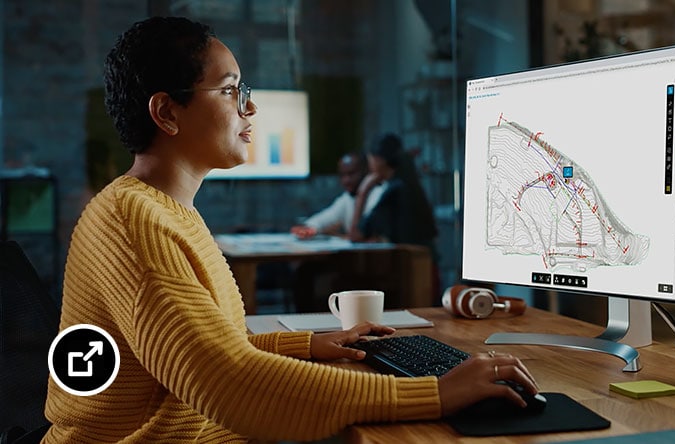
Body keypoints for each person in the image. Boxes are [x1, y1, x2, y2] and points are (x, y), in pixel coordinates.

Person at [43, 17, 539, 443]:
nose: (249, 107)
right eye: (230, 90)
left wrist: (309, 344)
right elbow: (227, 383)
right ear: (167, 112)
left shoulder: (163, 210)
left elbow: (211, 348)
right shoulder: (135, 222)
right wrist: (436, 392)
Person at [349, 133, 442, 298]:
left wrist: (363, 191)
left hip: (410, 277)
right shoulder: (409, 183)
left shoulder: (393, 191)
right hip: (426, 269)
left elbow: (355, 234)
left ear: (379, 160)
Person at [290, 152, 383, 239]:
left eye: (351, 174)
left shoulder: (380, 196)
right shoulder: (347, 198)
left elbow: (363, 235)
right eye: (342, 175)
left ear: (367, 172)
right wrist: (308, 228)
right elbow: (323, 219)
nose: (346, 181)